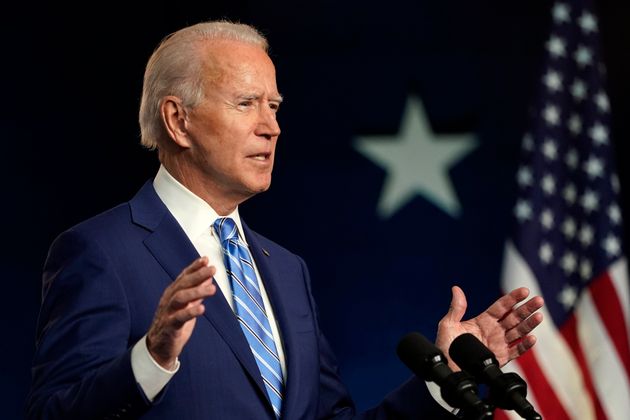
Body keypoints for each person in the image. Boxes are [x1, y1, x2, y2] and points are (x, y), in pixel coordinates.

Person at [26, 20, 544, 419]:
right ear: (177, 119)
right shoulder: (101, 251)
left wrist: (444, 378)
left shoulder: (285, 270)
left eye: (274, 106)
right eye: (247, 103)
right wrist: (150, 359)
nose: (271, 127)